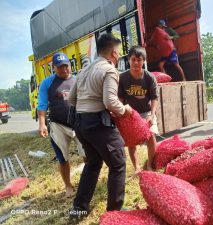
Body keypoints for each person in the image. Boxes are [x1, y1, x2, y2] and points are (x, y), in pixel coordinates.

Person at [68, 34, 132, 217]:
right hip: (98, 124)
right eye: (118, 53)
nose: (118, 56)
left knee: (93, 162)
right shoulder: (110, 70)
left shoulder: (84, 70)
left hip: (81, 124)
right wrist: (125, 110)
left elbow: (71, 99)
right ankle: (115, 212)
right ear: (113, 53)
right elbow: (111, 102)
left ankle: (79, 208)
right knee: (118, 163)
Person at [37, 52, 85, 197]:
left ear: (70, 65)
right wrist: (42, 124)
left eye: (66, 66)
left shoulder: (78, 80)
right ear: (53, 67)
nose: (64, 69)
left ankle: (87, 181)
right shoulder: (47, 83)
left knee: (87, 154)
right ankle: (68, 186)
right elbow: (42, 105)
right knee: (62, 158)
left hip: (78, 123)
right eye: (60, 67)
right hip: (58, 125)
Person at [118, 46, 159, 173]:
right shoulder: (122, 77)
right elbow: (119, 98)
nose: (136, 63)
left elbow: (154, 98)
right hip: (130, 114)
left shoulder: (149, 77)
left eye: (139, 60)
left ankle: (150, 165)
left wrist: (152, 115)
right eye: (133, 59)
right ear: (128, 60)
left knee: (151, 136)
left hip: (146, 112)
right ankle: (137, 168)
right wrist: (122, 113)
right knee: (131, 141)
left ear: (144, 61)